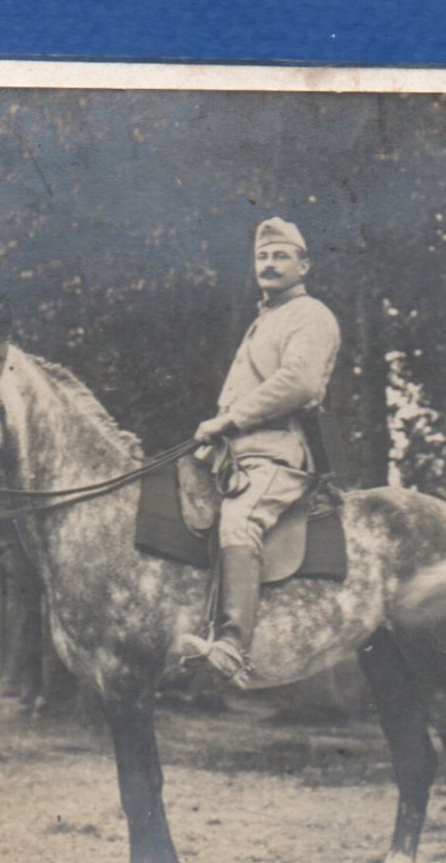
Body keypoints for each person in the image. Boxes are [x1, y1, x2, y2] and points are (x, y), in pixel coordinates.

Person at [176, 217, 341, 685]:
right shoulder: (265, 319)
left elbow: (298, 382)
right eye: (262, 257)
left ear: (303, 264)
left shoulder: (312, 315)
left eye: (280, 256)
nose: (269, 264)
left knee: (239, 520)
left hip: (276, 454)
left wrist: (227, 421)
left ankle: (232, 646)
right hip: (234, 457)